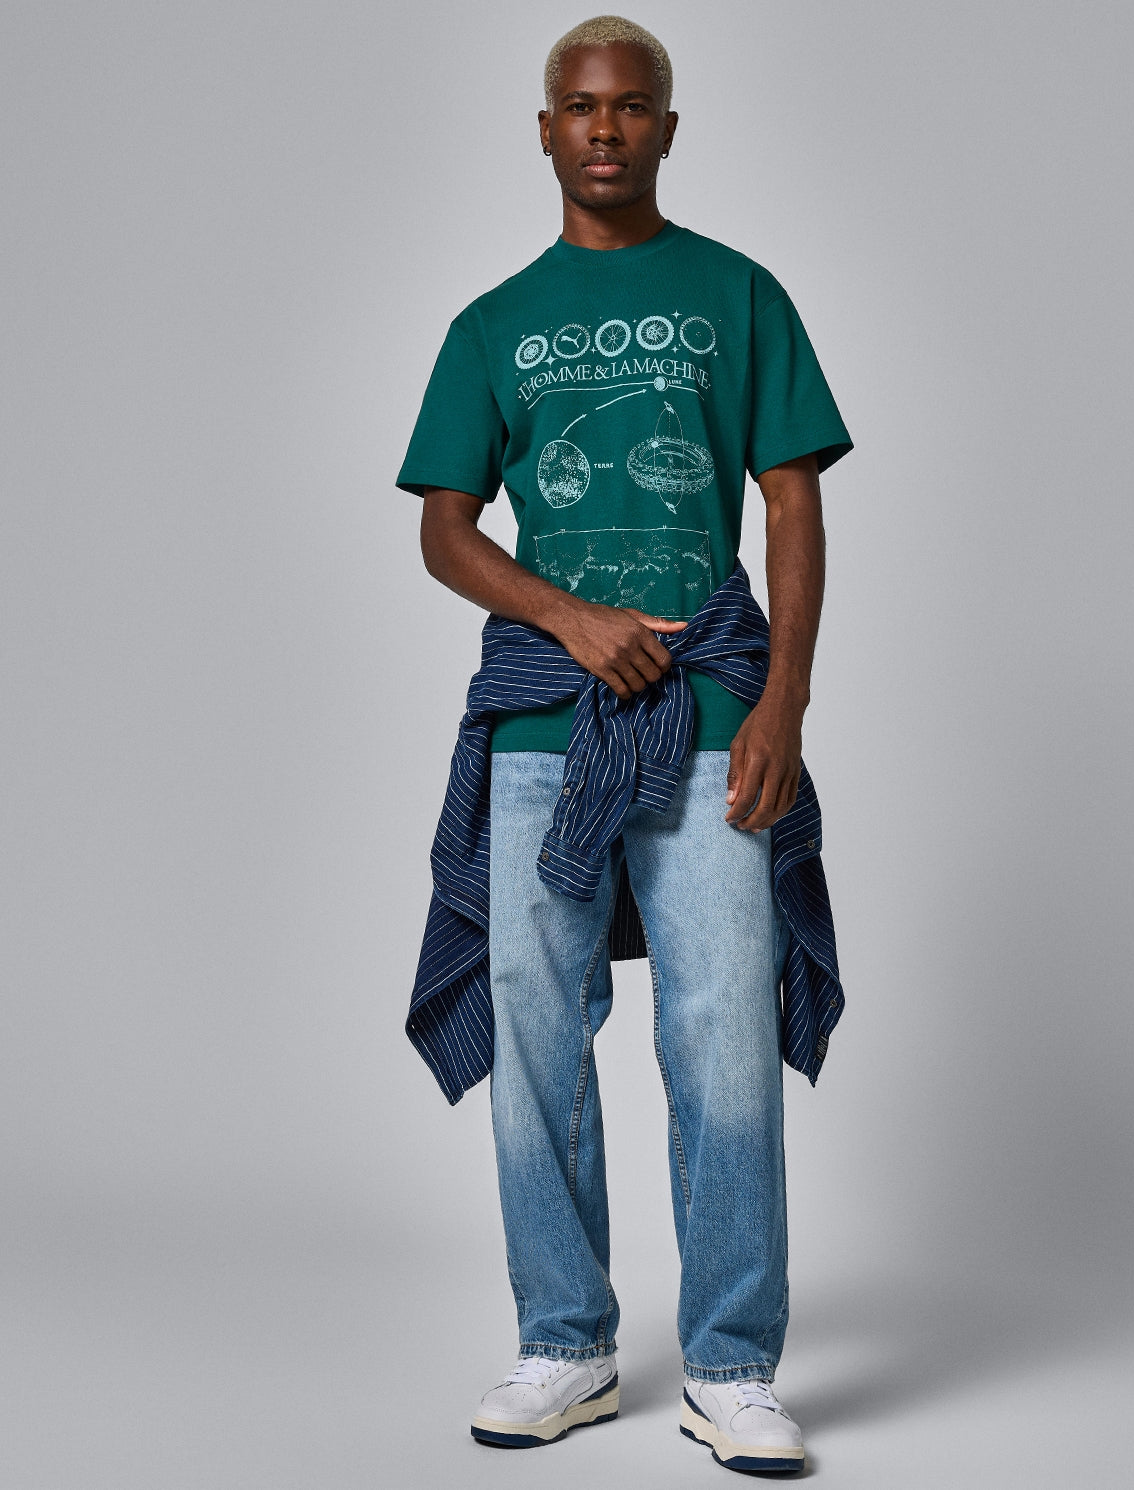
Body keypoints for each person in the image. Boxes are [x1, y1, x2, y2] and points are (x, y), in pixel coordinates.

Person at [395, 14, 853, 1476]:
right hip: (541, 721)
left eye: (633, 105)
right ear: (546, 132)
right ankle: (566, 1344)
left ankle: (731, 1365)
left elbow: (791, 501)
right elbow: (446, 531)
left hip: (714, 716)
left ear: (665, 128)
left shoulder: (739, 293)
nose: (606, 127)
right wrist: (574, 618)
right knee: (537, 1035)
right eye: (581, 107)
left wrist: (782, 703)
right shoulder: (492, 324)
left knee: (721, 1037)